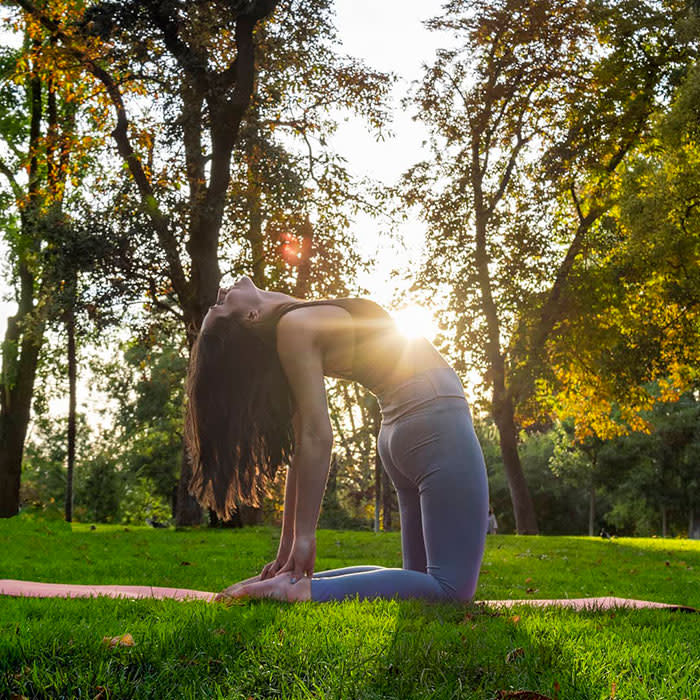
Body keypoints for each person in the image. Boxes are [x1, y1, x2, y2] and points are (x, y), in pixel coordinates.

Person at [184, 276, 489, 603]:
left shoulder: (293, 327)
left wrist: (288, 550)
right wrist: (302, 538)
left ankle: (288, 584)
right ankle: (300, 592)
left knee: (420, 584)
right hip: (434, 426)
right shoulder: (295, 327)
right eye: (220, 305)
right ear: (251, 317)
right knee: (451, 590)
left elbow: (301, 447)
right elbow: (315, 436)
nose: (220, 292)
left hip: (405, 432)